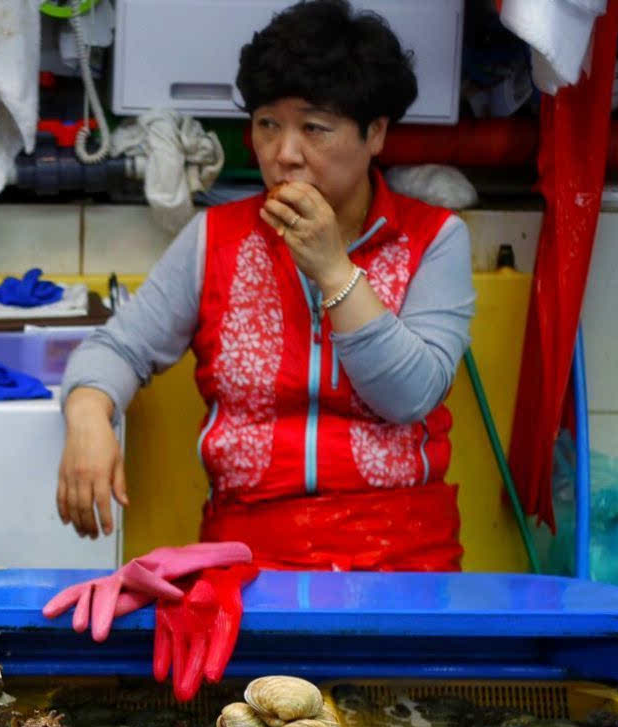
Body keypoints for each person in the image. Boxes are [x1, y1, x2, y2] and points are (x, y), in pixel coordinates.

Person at [56, 0, 475, 571]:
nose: (284, 154)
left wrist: (332, 269)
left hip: (402, 558)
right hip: (247, 559)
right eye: (267, 125)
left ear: (375, 133)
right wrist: (87, 415)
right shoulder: (216, 238)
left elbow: (411, 396)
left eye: (315, 128)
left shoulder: (434, 240)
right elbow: (118, 347)